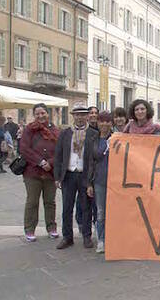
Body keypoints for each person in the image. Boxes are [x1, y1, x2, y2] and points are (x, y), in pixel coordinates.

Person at [54, 103, 99, 250]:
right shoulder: (65, 133)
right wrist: (57, 176)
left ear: (87, 116)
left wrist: (92, 177)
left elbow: (95, 157)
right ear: (73, 116)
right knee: (67, 207)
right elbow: (59, 155)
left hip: (85, 174)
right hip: (69, 173)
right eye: (77, 115)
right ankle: (67, 237)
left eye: (83, 114)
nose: (80, 117)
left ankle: (87, 236)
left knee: (86, 207)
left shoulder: (93, 133)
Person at [19, 103, 60, 242]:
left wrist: (51, 163)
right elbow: (24, 149)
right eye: (37, 114)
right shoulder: (29, 130)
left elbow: (60, 150)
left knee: (50, 202)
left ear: (48, 114)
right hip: (32, 172)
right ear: (34, 115)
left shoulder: (55, 130)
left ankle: (51, 227)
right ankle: (29, 229)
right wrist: (41, 162)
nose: (40, 116)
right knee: (32, 202)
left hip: (50, 172)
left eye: (43, 113)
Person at [87, 112, 113, 253]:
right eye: (101, 121)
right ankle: (101, 240)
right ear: (97, 123)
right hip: (99, 180)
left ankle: (113, 238)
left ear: (111, 123)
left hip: (116, 181)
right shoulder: (93, 139)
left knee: (114, 212)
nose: (104, 124)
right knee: (101, 212)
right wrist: (89, 183)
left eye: (107, 121)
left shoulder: (117, 137)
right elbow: (90, 162)